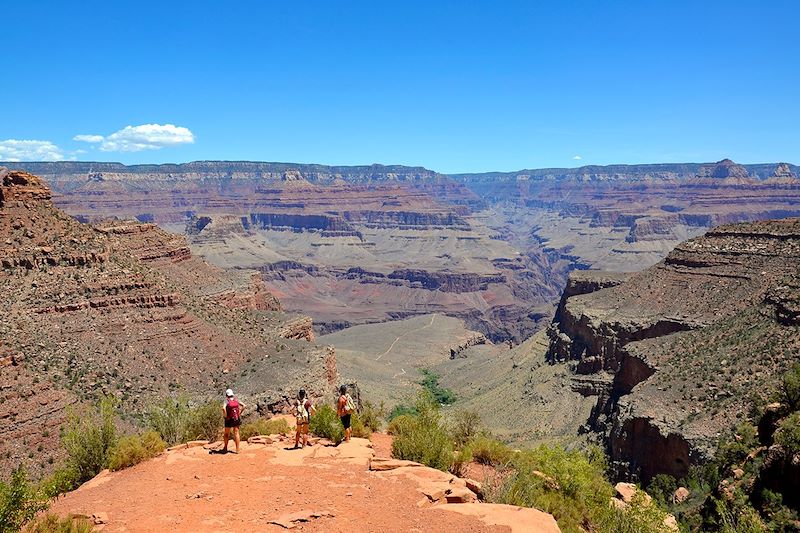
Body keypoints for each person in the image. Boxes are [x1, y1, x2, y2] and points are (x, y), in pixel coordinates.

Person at [221, 389, 245, 453]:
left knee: (226, 434)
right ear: (232, 394)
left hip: (228, 419)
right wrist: (239, 413)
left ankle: (225, 448)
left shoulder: (226, 401)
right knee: (236, 433)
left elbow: (223, 408)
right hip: (236, 418)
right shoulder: (236, 400)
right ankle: (237, 449)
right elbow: (244, 406)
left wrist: (225, 415)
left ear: (226, 395)